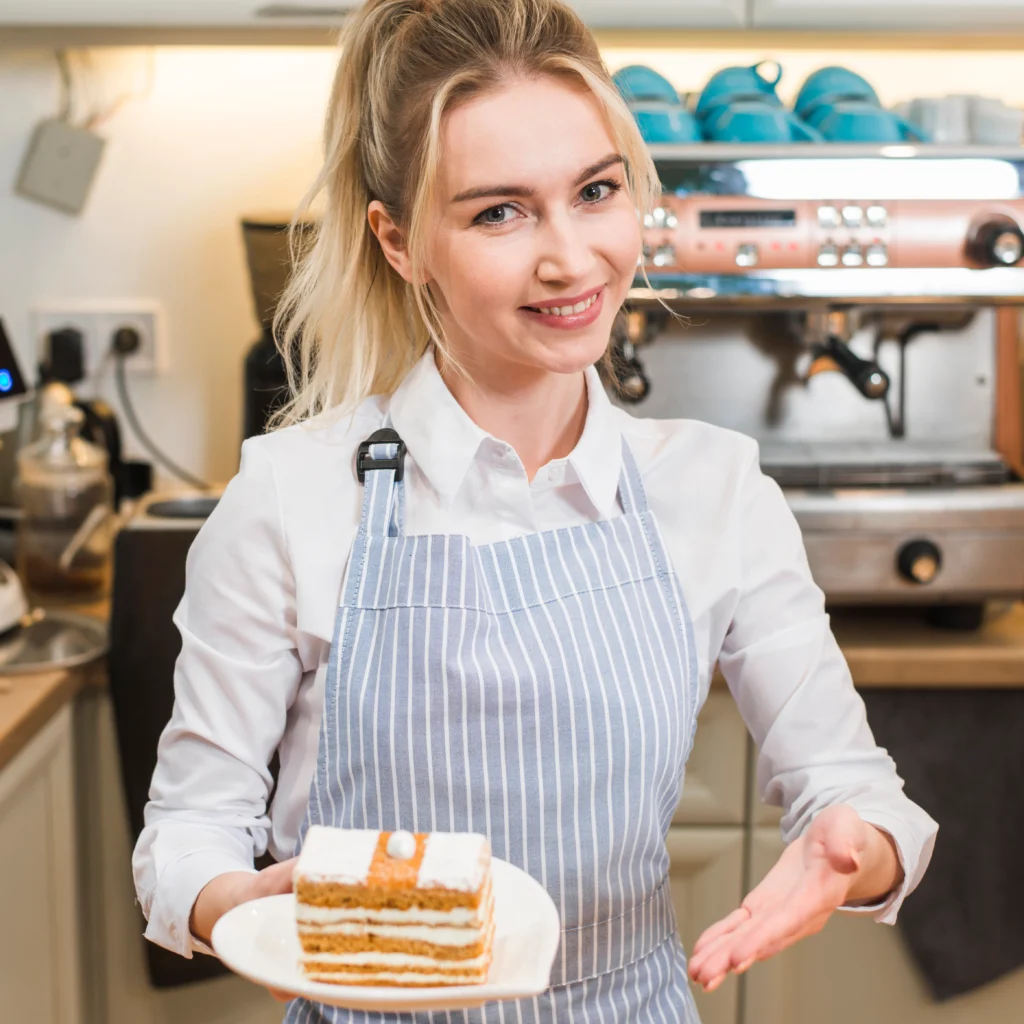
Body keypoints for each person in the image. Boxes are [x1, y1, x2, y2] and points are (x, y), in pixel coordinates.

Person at [132, 1, 938, 1020]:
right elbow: (188, 831)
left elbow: (856, 794)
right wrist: (231, 901)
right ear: (399, 240)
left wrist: (850, 850)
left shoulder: (714, 488)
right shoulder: (290, 495)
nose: (569, 257)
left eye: (595, 192)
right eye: (498, 212)